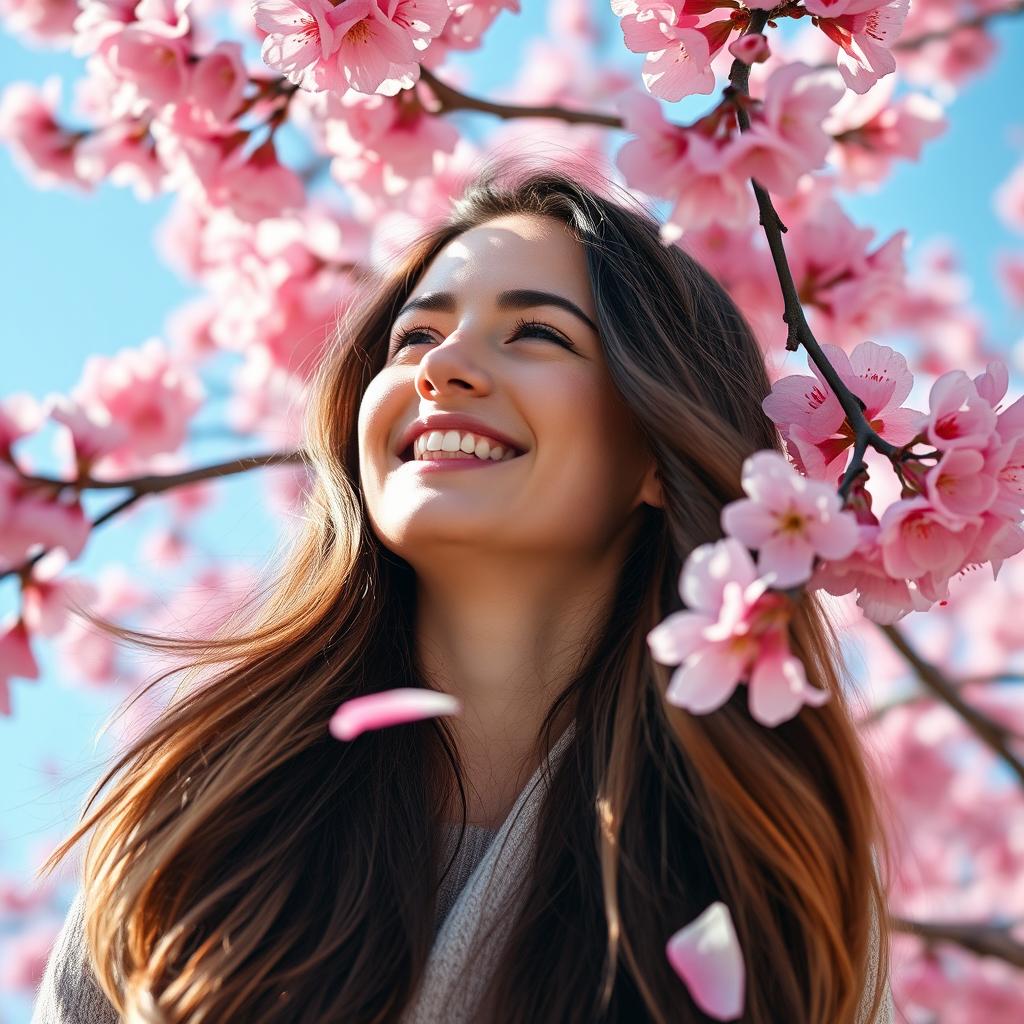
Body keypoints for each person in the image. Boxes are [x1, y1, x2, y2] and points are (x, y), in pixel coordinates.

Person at [31, 161, 894, 1023]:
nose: (442, 368)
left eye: (536, 335)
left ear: (655, 450)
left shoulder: (769, 887)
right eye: (414, 338)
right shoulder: (199, 825)